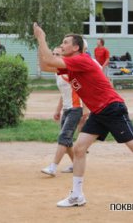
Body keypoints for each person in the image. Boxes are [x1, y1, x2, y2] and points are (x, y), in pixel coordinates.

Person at [32, 22, 133, 207]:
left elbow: (50, 61)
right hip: (99, 112)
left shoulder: (82, 60)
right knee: (79, 149)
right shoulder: (72, 65)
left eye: (65, 42)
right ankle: (77, 195)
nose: (62, 45)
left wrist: (41, 37)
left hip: (112, 108)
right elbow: (45, 66)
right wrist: (39, 42)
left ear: (76, 47)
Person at [41, 47, 86, 177]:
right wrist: (40, 44)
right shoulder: (58, 72)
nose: (54, 56)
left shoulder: (69, 71)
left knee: (64, 138)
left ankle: (53, 167)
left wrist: (85, 110)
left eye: (57, 54)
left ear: (63, 57)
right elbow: (63, 94)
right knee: (67, 142)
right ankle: (76, 164)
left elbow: (81, 90)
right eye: (53, 54)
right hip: (67, 109)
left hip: (75, 109)